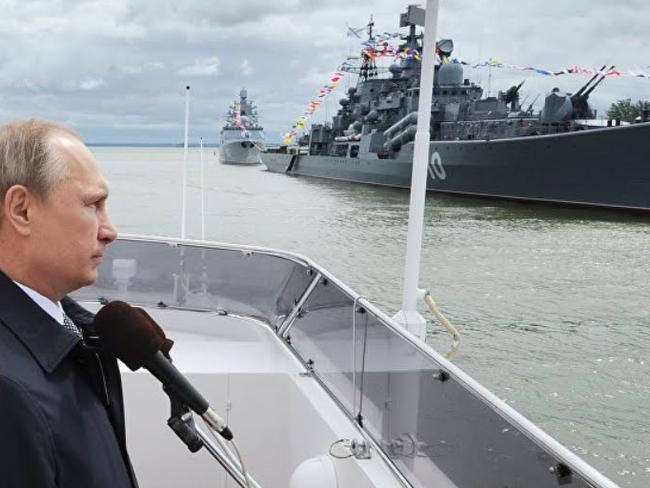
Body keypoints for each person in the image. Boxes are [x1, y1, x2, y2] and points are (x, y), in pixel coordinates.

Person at [0, 119, 137, 487]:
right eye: (93, 205)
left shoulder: (71, 332)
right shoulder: (10, 392)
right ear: (22, 211)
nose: (109, 230)